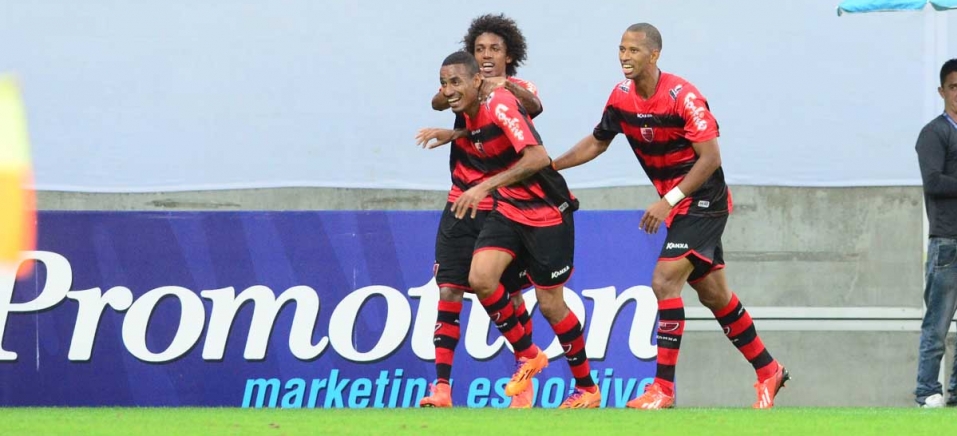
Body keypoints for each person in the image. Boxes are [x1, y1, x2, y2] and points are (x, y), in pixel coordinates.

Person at [551, 23, 788, 409]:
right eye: (621, 49)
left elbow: (711, 158)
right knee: (714, 295)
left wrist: (669, 200)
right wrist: (553, 166)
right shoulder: (621, 97)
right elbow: (598, 141)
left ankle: (662, 389)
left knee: (664, 280)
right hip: (679, 205)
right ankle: (769, 369)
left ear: (654, 55)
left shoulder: (683, 97)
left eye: (633, 50)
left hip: (704, 199)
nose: (625, 57)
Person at [418, 51, 602, 408]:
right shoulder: (471, 111)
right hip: (508, 210)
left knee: (551, 305)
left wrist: (484, 186)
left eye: (455, 82)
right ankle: (529, 354)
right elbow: (475, 129)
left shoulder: (501, 102)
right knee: (481, 279)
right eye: (443, 83)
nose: (448, 90)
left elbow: (537, 157)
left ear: (477, 80)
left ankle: (587, 388)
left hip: (547, 210)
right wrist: (453, 134)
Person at [417, 14, 542, 409]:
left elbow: (534, 106)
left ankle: (524, 374)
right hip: (461, 201)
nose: (487, 56)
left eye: (495, 49)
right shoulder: (463, 86)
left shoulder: (518, 89)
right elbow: (439, 101)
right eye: (480, 50)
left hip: (505, 207)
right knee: (449, 289)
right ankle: (441, 388)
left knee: (512, 297)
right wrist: (462, 93)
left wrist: (500, 86)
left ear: (509, 55)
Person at [914, 58, 957, 409]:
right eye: (954, 87)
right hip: (947, 242)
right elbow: (933, 182)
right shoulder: (934, 133)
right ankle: (927, 390)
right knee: (937, 324)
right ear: (942, 91)